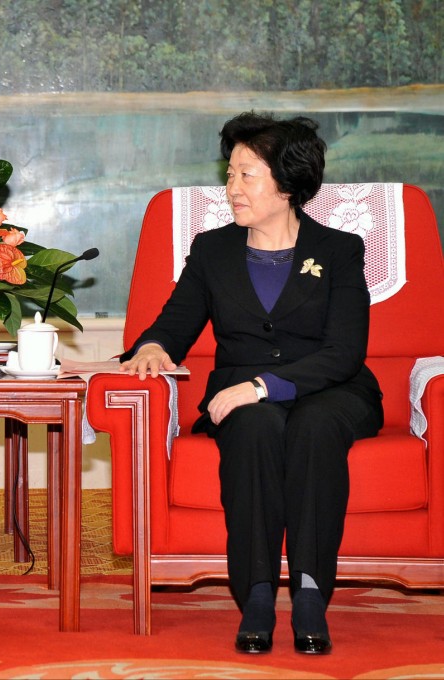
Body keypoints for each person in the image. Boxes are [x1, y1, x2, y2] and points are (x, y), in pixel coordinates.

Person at [119, 112, 383, 655]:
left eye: (247, 175)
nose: (232, 188)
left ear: (287, 184)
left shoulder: (340, 250)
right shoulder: (212, 250)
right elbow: (175, 323)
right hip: (243, 395)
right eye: (230, 174)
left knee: (314, 426)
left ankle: (310, 594)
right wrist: (152, 347)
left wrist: (263, 385)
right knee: (255, 427)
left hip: (332, 389)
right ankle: (257, 594)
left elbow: (344, 352)